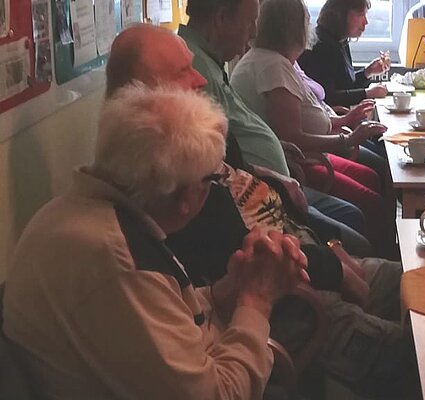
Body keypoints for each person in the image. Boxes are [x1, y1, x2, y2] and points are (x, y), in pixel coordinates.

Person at [105, 24, 418, 398]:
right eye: (183, 73)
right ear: (144, 94)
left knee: (416, 281)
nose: (200, 80)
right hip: (297, 298)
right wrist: (332, 265)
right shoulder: (167, 179)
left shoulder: (190, 140)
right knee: (417, 352)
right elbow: (253, 258)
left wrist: (322, 238)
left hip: (301, 259)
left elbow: (208, 285)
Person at [2, 84, 309, 399]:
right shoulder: (120, 259)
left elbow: (159, 312)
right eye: (212, 179)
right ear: (186, 197)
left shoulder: (78, 212)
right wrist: (257, 298)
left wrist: (230, 288)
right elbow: (222, 395)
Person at [131, 1, 371, 256]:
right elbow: (217, 169)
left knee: (353, 232)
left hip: (275, 187)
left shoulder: (208, 61)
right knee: (356, 240)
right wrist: (273, 178)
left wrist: (276, 158)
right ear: (222, 17)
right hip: (261, 205)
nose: (254, 33)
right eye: (249, 23)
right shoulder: (194, 65)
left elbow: (231, 150)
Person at [230, 0, 398, 257]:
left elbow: (311, 111)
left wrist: (341, 122)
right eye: (305, 21)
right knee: (371, 201)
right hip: (300, 165)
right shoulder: (271, 66)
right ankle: (384, 261)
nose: (309, 27)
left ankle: (385, 256)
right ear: (293, 27)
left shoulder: (279, 61)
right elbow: (292, 136)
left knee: (373, 177)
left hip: (313, 152)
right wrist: (348, 138)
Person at [297, 0, 390, 108]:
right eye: (360, 15)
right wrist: (367, 93)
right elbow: (328, 97)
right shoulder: (321, 46)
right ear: (341, 15)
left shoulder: (340, 41)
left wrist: (368, 72)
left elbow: (345, 86)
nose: (365, 22)